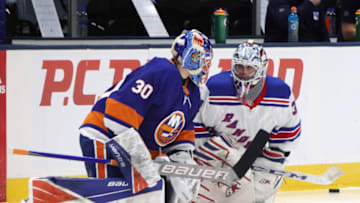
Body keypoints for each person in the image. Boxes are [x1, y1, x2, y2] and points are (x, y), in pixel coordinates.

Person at [79, 29, 213, 202]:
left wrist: (184, 167)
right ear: (183, 55)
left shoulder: (195, 93)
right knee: (110, 198)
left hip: (137, 148)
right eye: (198, 58)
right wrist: (141, 160)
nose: (202, 64)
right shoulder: (161, 70)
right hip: (105, 137)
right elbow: (116, 118)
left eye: (205, 60)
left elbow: (180, 136)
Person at [192, 41, 301, 203]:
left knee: (257, 195)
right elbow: (196, 124)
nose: (243, 73)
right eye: (239, 67)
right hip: (223, 155)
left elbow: (288, 134)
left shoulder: (280, 93)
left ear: (261, 69)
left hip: (259, 155)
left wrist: (271, 162)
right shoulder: (215, 89)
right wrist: (208, 155)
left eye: (249, 68)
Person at [264, 0, 329, 42]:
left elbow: (323, 33)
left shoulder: (315, 4)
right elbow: (285, 22)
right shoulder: (277, 2)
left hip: (311, 53)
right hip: (282, 52)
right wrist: (309, 4)